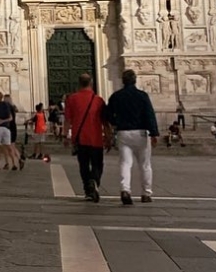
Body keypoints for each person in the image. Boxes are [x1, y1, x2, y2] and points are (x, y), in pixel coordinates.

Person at [103, 69, 159, 205]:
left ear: (123, 81)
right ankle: (146, 193)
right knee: (145, 165)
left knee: (125, 163)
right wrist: (154, 133)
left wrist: (116, 122)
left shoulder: (116, 96)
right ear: (135, 80)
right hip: (141, 133)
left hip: (123, 133)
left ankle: (125, 190)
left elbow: (107, 114)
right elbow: (149, 114)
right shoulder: (142, 96)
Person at [63, 73, 108, 202]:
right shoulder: (98, 100)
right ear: (91, 83)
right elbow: (105, 121)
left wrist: (65, 136)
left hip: (80, 139)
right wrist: (108, 136)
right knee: (97, 164)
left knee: (83, 165)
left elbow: (67, 120)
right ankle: (94, 180)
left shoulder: (72, 99)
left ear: (79, 83)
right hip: (96, 139)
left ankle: (88, 190)